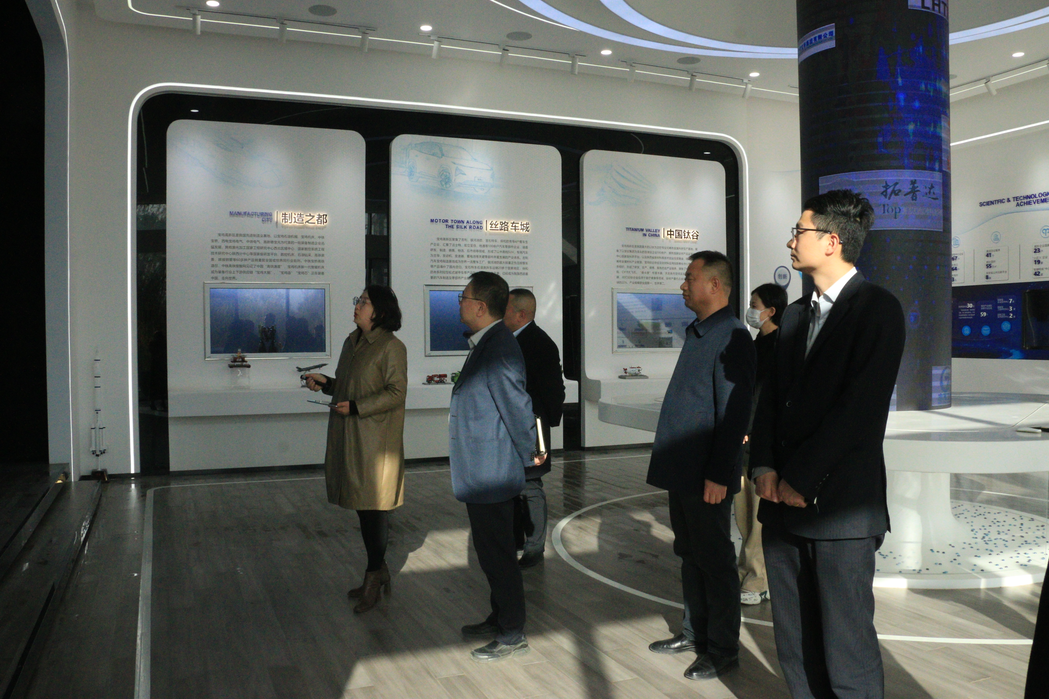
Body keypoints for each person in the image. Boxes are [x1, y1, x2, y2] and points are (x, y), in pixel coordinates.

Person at [750, 189, 905, 699]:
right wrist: (764, 466)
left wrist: (800, 479)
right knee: (795, 647)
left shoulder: (877, 309)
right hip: (780, 505)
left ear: (832, 241)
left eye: (799, 231)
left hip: (840, 510)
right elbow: (769, 401)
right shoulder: (794, 316)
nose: (791, 241)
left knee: (847, 651)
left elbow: (860, 411)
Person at [646, 251, 756, 681]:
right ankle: (695, 634)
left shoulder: (732, 337)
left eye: (690, 278)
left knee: (715, 561)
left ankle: (723, 649)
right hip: (684, 471)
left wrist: (718, 474)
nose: (683, 285)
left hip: (705, 474)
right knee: (690, 554)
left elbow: (734, 413)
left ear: (714, 285)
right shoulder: (700, 332)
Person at [450, 271, 543, 662]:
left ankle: (512, 633)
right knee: (491, 554)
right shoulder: (488, 342)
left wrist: (531, 454)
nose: (459, 303)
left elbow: (517, 406)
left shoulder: (499, 346)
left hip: (492, 471)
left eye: (463, 297)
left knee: (499, 555)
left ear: (479, 306)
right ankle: (500, 617)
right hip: (482, 470)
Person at [304, 286, 408, 614]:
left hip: (376, 443)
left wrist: (358, 407)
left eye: (364, 301)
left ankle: (373, 577)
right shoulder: (353, 343)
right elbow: (350, 386)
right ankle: (379, 570)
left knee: (374, 508)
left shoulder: (392, 347)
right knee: (364, 509)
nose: (358, 305)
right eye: (358, 301)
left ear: (380, 311)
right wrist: (328, 383)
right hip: (353, 437)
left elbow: (396, 392)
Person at [504, 288, 566, 568]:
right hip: (518, 425)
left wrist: (544, 424)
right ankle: (518, 540)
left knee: (530, 484)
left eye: (505, 309)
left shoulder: (540, 343)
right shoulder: (512, 340)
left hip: (532, 427)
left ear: (521, 314)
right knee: (514, 485)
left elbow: (553, 389)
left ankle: (534, 547)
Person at [736, 282, 787, 606]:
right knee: (744, 515)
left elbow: (765, 400)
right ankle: (746, 573)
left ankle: (758, 580)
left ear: (770, 311)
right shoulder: (755, 345)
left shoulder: (781, 347)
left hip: (761, 444)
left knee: (758, 518)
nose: (750, 310)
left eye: (755, 305)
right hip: (743, 442)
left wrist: (751, 430)